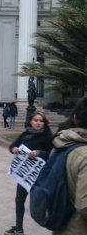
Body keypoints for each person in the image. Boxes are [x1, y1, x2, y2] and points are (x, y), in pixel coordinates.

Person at [5, 111, 53, 235]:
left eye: (41, 121)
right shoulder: (25, 134)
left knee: (40, 203)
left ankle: (53, 227)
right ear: (31, 121)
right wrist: (14, 149)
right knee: (19, 200)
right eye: (36, 120)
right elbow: (12, 146)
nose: (38, 123)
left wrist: (39, 153)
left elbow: (52, 154)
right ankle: (19, 228)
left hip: (40, 176)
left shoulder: (48, 136)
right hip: (25, 175)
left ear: (44, 123)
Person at [52, 97, 87, 235]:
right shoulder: (84, 155)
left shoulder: (61, 144)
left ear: (73, 117)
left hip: (61, 223)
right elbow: (85, 206)